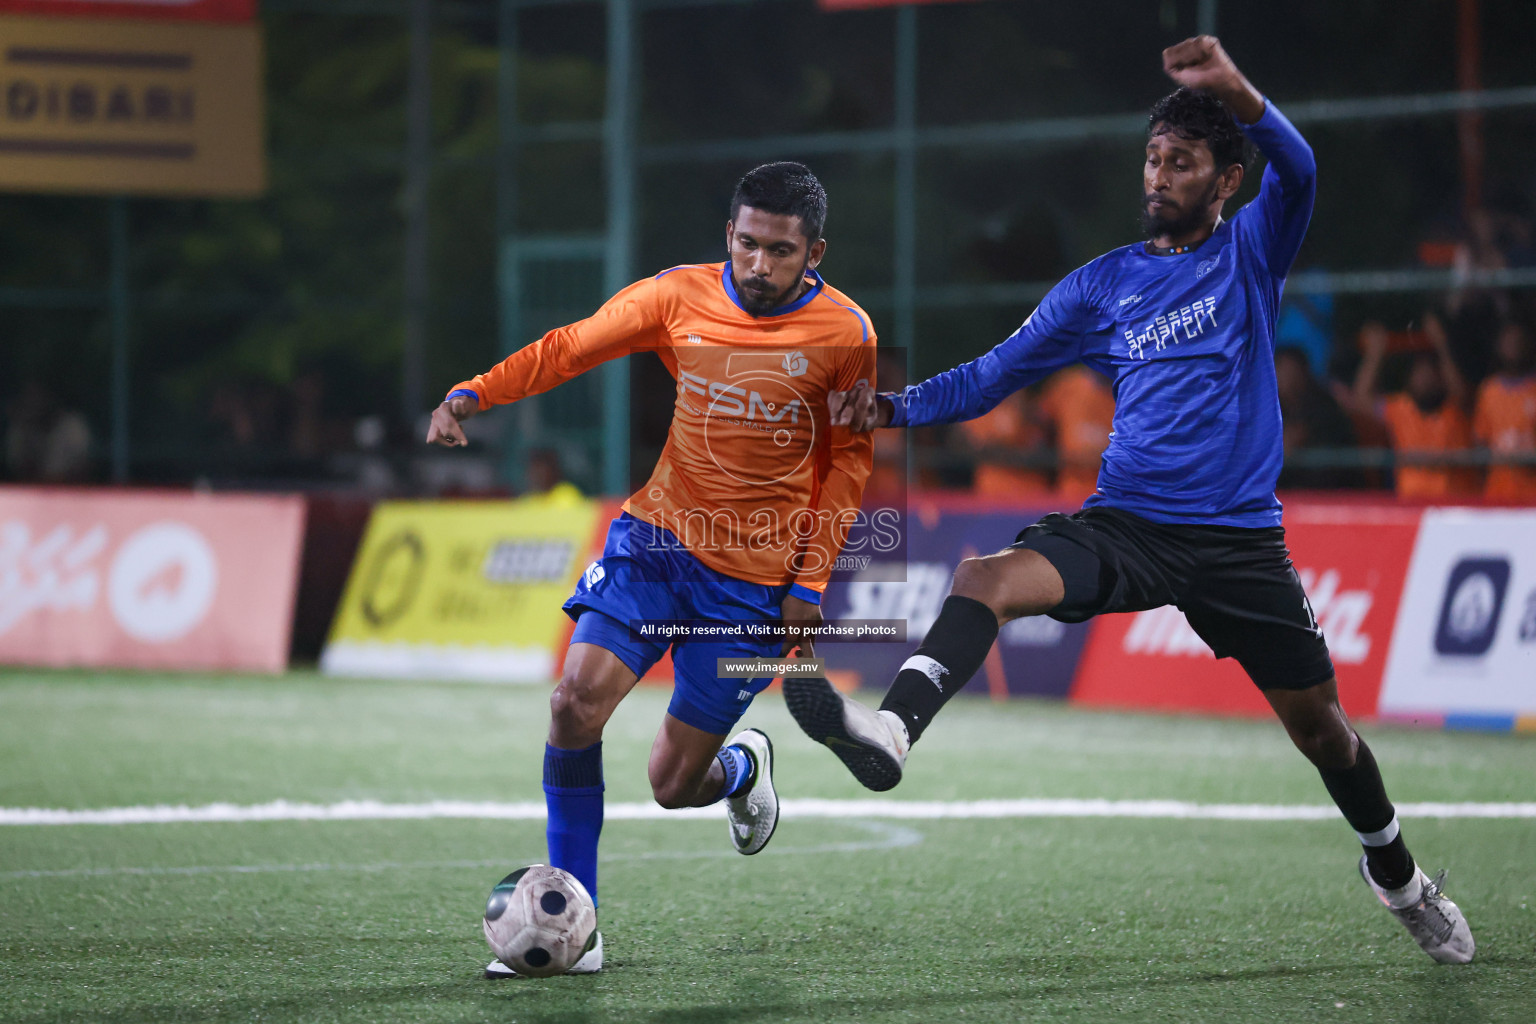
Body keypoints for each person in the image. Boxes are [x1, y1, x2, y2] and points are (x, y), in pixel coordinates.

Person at [783, 37, 1473, 965]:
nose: (1159, 175)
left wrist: (1242, 94)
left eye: (1181, 162)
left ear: (1225, 180)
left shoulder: (1253, 249)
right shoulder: (1102, 284)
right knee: (985, 575)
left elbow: (1302, 167)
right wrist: (894, 406)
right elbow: (993, 376)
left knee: (1324, 733)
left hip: (1237, 545)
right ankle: (893, 730)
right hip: (1128, 526)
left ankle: (1396, 874)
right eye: (1152, 158)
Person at [426, 162, 875, 976]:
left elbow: (847, 465)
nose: (759, 266)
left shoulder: (849, 336)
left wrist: (810, 582)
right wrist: (474, 393)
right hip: (655, 545)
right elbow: (573, 346)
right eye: (746, 244)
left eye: (780, 251)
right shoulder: (676, 296)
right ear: (728, 237)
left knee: (672, 785)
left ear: (815, 253)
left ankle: (742, 768)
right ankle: (577, 927)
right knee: (572, 705)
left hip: (754, 590)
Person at [1353, 317, 1478, 498]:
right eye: (1419, 372)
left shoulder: (1457, 409)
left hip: (1457, 510)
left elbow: (1460, 391)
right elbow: (1361, 400)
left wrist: (1442, 345)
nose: (1425, 378)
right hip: (1413, 509)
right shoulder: (1400, 408)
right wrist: (1375, 353)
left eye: (1431, 372)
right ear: (1409, 378)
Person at [1473, 319, 1536, 500]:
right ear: (1498, 346)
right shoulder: (1489, 390)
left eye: (1518, 341)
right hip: (1498, 494)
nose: (1513, 347)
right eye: (1508, 341)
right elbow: (1480, 442)